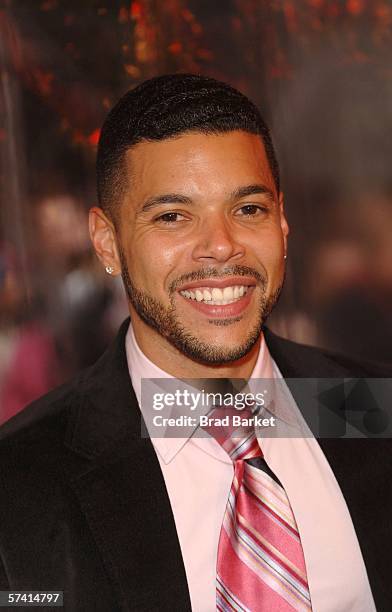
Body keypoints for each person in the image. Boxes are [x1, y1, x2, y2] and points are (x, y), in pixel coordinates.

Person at [0, 74, 390, 612]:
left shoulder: (370, 405)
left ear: (282, 220)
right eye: (173, 216)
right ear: (107, 242)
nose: (221, 246)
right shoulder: (19, 484)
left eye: (248, 209)